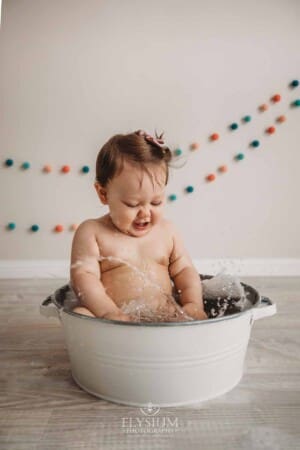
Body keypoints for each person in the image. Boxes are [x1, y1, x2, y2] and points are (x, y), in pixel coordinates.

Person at [70, 129, 208, 322]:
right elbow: (84, 278)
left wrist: (193, 304)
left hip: (165, 317)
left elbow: (185, 271)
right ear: (103, 194)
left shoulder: (167, 232)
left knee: (188, 318)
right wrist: (109, 313)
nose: (145, 213)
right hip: (114, 320)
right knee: (80, 316)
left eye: (156, 202)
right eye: (132, 204)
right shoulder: (93, 233)